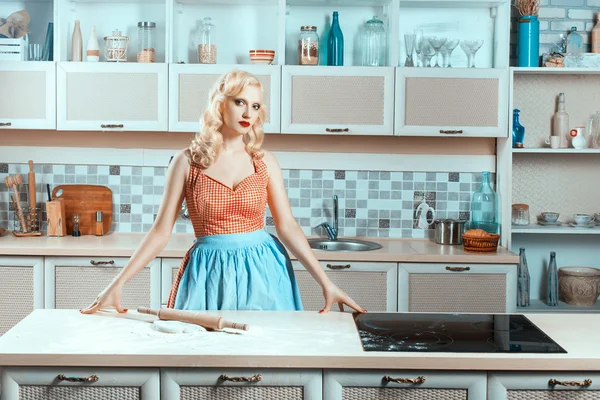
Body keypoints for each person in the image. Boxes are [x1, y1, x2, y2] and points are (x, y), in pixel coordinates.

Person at [81, 69, 365, 314]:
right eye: (239, 102)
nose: (247, 113)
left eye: (255, 106)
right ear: (220, 104)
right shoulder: (187, 162)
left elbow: (287, 226)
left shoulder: (264, 162)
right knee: (199, 358)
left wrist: (326, 283)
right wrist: (117, 283)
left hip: (264, 270)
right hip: (208, 272)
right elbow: (160, 232)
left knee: (268, 359)